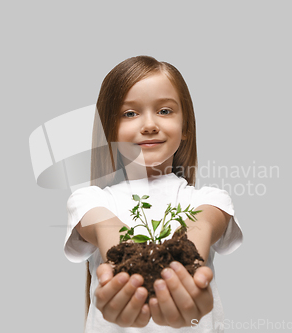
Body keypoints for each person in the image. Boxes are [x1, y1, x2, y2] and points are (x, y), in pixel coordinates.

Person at [63, 55, 243, 332]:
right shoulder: (90, 201)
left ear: (186, 128)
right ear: (109, 130)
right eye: (130, 113)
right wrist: (130, 274)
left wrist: (185, 276)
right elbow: (108, 232)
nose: (149, 125)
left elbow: (201, 226)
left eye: (165, 111)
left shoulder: (210, 200)